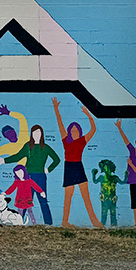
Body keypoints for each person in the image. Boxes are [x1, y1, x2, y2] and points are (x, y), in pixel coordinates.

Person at [52, 98, 103, 228]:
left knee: (86, 197)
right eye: (72, 130)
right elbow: (60, 124)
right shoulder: (65, 140)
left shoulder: (82, 141)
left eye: (76, 130)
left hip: (78, 167)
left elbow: (93, 129)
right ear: (69, 132)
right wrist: (56, 109)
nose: (74, 132)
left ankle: (94, 222)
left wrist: (87, 114)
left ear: (79, 132)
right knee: (68, 197)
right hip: (69, 167)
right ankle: (65, 222)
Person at [3, 124, 59, 225]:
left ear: (42, 134)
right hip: (27, 177)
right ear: (31, 134)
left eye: (38, 132)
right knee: (25, 201)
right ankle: (19, 223)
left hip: (40, 177)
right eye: (34, 133)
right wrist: (4, 160)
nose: (36, 135)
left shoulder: (45, 148)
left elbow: (57, 159)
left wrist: (49, 169)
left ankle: (48, 223)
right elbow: (17, 156)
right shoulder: (28, 146)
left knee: (43, 201)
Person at [115, 119, 136, 227]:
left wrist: (130, 164)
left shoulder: (133, 155)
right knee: (134, 203)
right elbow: (126, 140)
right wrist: (119, 128)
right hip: (132, 181)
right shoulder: (132, 151)